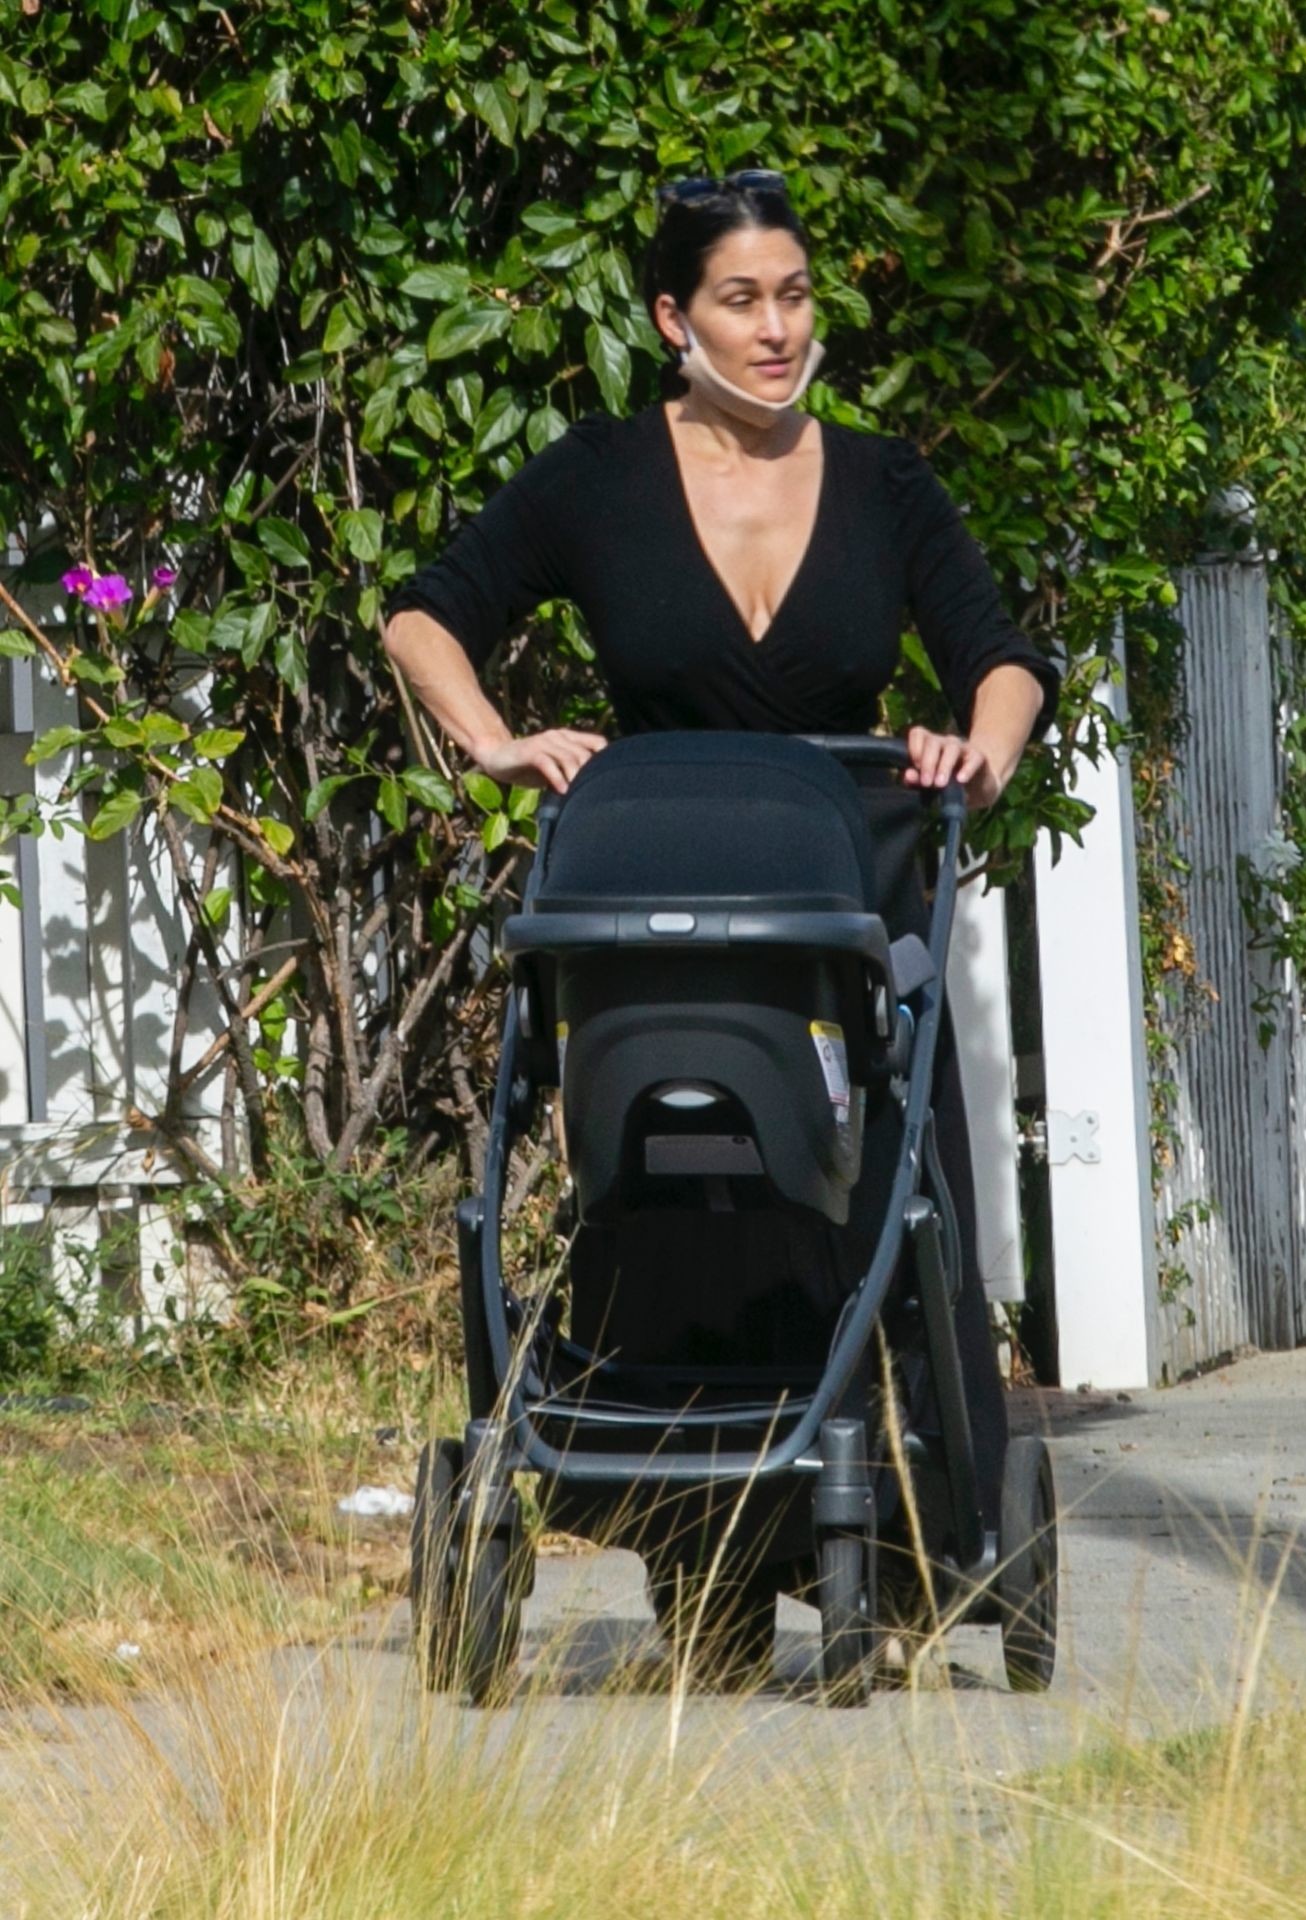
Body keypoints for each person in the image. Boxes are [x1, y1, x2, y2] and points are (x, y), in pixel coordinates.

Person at [382, 169, 1061, 1542]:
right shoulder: (599, 474)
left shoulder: (884, 482)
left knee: (895, 1208)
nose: (776, 328)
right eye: (741, 299)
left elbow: (1003, 660)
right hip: (662, 909)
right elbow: (422, 616)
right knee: (675, 1201)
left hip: (849, 901)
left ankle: (927, 1531)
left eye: (794, 296)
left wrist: (980, 754)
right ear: (671, 318)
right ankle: (698, 1536)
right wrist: (497, 744)